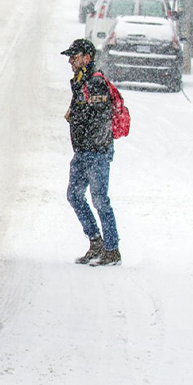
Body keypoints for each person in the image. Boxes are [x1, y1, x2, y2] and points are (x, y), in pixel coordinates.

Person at [61, 39, 121, 266]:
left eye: (73, 57)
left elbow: (97, 117)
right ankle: (96, 242)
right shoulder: (81, 81)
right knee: (74, 195)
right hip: (83, 150)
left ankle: (112, 249)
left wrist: (75, 117)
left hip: (96, 151)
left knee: (99, 199)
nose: (70, 61)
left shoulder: (95, 82)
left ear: (87, 58)